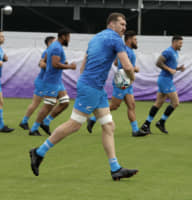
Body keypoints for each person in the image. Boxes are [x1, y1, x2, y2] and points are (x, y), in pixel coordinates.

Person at [29, 13, 138, 181]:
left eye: (125, 25)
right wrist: (131, 78)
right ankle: (38, 152)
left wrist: (85, 79)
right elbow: (127, 66)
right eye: (122, 24)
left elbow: (85, 61)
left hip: (94, 87)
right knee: (74, 124)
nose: (124, 27)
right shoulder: (116, 39)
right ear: (111, 24)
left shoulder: (96, 38)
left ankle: (115, 169)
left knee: (108, 126)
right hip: (91, 87)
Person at [87, 30, 146, 137]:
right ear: (128, 40)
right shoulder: (126, 50)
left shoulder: (128, 50)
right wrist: (134, 68)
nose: (137, 41)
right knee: (114, 106)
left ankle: (135, 130)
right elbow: (124, 65)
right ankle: (93, 118)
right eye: (135, 39)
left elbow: (115, 62)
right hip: (122, 80)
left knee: (131, 105)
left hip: (127, 81)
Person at [28, 29, 76, 136]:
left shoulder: (54, 46)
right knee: (48, 105)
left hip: (57, 81)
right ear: (63, 37)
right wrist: (70, 67)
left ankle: (46, 122)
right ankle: (34, 129)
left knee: (65, 102)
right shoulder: (56, 47)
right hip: (51, 81)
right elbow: (55, 64)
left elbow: (45, 60)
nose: (69, 40)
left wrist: (61, 62)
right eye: (68, 37)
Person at [140, 35, 185, 134]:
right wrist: (169, 69)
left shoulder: (175, 53)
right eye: (180, 43)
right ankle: (161, 122)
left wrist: (178, 68)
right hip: (165, 80)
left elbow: (171, 67)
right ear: (174, 42)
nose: (181, 45)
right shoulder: (168, 51)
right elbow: (158, 62)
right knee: (175, 103)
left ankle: (146, 125)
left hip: (165, 79)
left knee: (158, 103)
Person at [19, 36, 56, 130]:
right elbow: (41, 64)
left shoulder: (53, 53)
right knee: (36, 103)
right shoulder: (47, 52)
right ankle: (25, 122)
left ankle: (38, 121)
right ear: (49, 43)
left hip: (48, 82)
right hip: (42, 82)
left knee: (52, 102)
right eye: (55, 42)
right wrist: (53, 66)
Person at [0, 32, 14, 133]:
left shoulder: (0, 49)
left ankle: (1, 126)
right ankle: (1, 126)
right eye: (1, 36)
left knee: (0, 102)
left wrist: (4, 59)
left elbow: (4, 59)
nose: (3, 38)